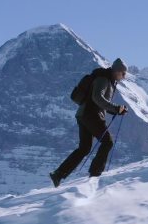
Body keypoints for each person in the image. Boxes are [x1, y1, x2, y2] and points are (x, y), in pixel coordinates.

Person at [49, 58, 129, 187]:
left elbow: (101, 103)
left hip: (84, 115)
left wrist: (117, 110)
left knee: (84, 148)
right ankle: (95, 174)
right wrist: (115, 108)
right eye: (123, 73)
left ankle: (58, 174)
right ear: (116, 71)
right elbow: (97, 98)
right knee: (107, 142)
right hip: (91, 115)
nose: (124, 76)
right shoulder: (103, 79)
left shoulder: (107, 79)